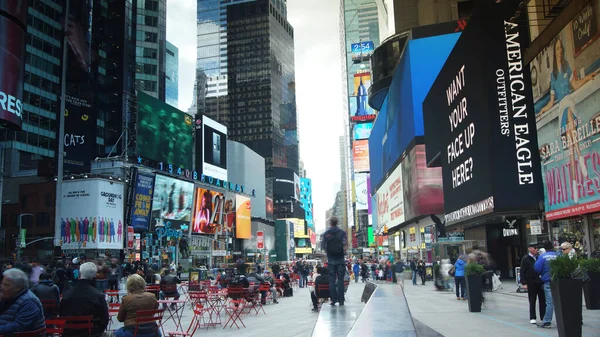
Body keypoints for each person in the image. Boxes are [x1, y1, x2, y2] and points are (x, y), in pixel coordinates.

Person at [59, 262, 109, 337]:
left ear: (79, 274)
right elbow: (104, 319)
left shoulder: (66, 295)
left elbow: (61, 314)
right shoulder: (98, 296)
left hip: (69, 334)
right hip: (92, 334)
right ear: (94, 276)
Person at [0, 269, 46, 336]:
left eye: (6, 285)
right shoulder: (7, 297)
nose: (2, 288)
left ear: (18, 288)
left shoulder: (29, 301)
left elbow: (18, 327)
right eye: (2, 284)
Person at [320, 217, 348, 306]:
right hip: (340, 259)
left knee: (331, 280)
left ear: (330, 223)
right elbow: (345, 245)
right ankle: (341, 300)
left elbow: (323, 246)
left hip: (331, 260)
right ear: (337, 222)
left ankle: (333, 300)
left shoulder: (326, 234)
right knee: (340, 280)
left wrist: (328, 252)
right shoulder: (342, 233)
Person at [534, 240, 558, 329]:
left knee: (549, 302)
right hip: (559, 281)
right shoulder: (557, 255)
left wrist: (542, 274)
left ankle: (547, 321)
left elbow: (537, 268)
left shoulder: (542, 256)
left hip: (548, 281)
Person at [520, 242, 546, 325]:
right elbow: (522, 271)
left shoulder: (539, 257)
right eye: (535, 248)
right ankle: (532, 317)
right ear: (530, 249)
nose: (536, 250)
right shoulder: (525, 259)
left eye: (537, 248)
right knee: (532, 300)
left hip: (540, 281)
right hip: (531, 282)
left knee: (542, 300)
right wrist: (524, 282)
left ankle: (543, 316)